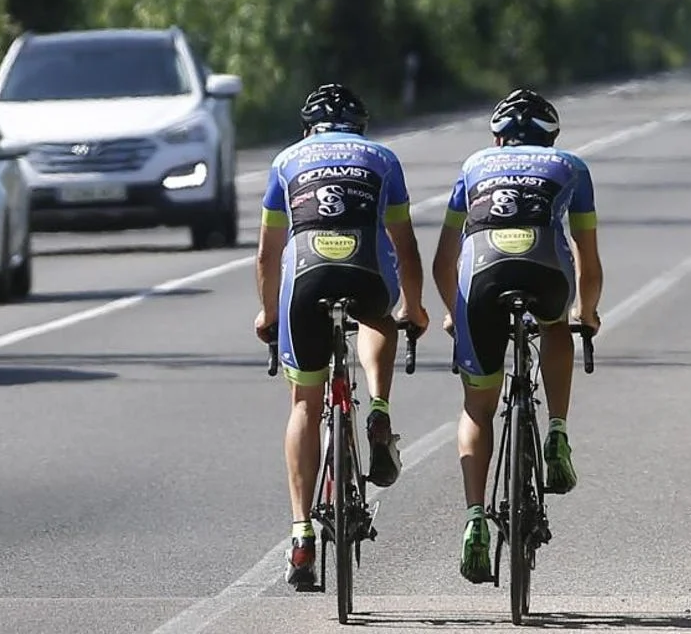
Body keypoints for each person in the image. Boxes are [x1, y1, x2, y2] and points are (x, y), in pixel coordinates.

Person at [254, 83, 429, 587]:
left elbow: (268, 253)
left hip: (305, 281)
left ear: (308, 129)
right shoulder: (383, 159)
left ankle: (301, 534)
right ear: (360, 127)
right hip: (365, 274)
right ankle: (378, 409)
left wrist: (268, 314)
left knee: (304, 405)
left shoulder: (286, 161)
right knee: (379, 317)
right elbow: (405, 245)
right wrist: (413, 307)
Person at [430, 88, 604, 584]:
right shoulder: (571, 166)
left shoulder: (474, 165)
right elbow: (588, 260)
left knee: (477, 408)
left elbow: (444, 261)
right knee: (555, 325)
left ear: (497, 139)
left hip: (481, 281)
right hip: (547, 273)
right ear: (552, 138)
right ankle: (557, 432)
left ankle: (474, 520)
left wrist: (455, 313)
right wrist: (586, 312)